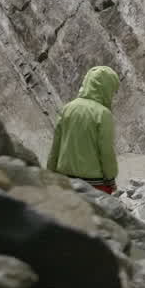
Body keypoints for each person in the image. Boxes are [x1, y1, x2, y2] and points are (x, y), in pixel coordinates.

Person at [47, 66, 121, 194]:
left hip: (65, 181)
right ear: (106, 89)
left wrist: (49, 172)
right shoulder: (103, 114)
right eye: (113, 90)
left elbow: (56, 146)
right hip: (94, 185)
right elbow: (106, 151)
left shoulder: (67, 108)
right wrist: (111, 179)